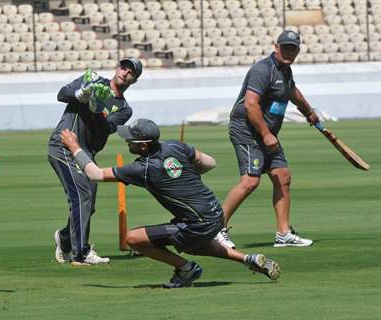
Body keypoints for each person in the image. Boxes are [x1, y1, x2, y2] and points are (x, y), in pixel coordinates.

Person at [59, 119, 280, 287]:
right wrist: (188, 174)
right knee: (198, 244)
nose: (127, 142)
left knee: (133, 239)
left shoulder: (142, 169)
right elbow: (210, 163)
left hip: (197, 223)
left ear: (144, 146)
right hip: (215, 213)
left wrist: (74, 146)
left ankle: (186, 270)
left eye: (131, 140)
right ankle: (248, 259)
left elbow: (94, 173)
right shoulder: (175, 146)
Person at [215, 30, 319, 249]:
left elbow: (292, 91)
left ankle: (283, 234)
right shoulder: (263, 70)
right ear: (276, 46)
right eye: (285, 47)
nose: (289, 52)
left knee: (282, 176)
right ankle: (215, 229)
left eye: (293, 48)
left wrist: (308, 111)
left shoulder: (285, 71)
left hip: (266, 133)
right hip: (247, 131)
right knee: (250, 181)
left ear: (298, 51)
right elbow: (250, 104)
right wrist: (266, 134)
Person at [48, 58, 142, 265]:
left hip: (86, 154)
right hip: (63, 145)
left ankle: (65, 238)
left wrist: (95, 107)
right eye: (123, 67)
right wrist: (79, 94)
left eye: (131, 72)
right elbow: (62, 94)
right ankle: (80, 253)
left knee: (88, 202)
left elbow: (105, 128)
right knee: (82, 196)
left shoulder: (124, 109)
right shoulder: (92, 82)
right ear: (117, 68)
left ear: (134, 80)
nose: (125, 72)